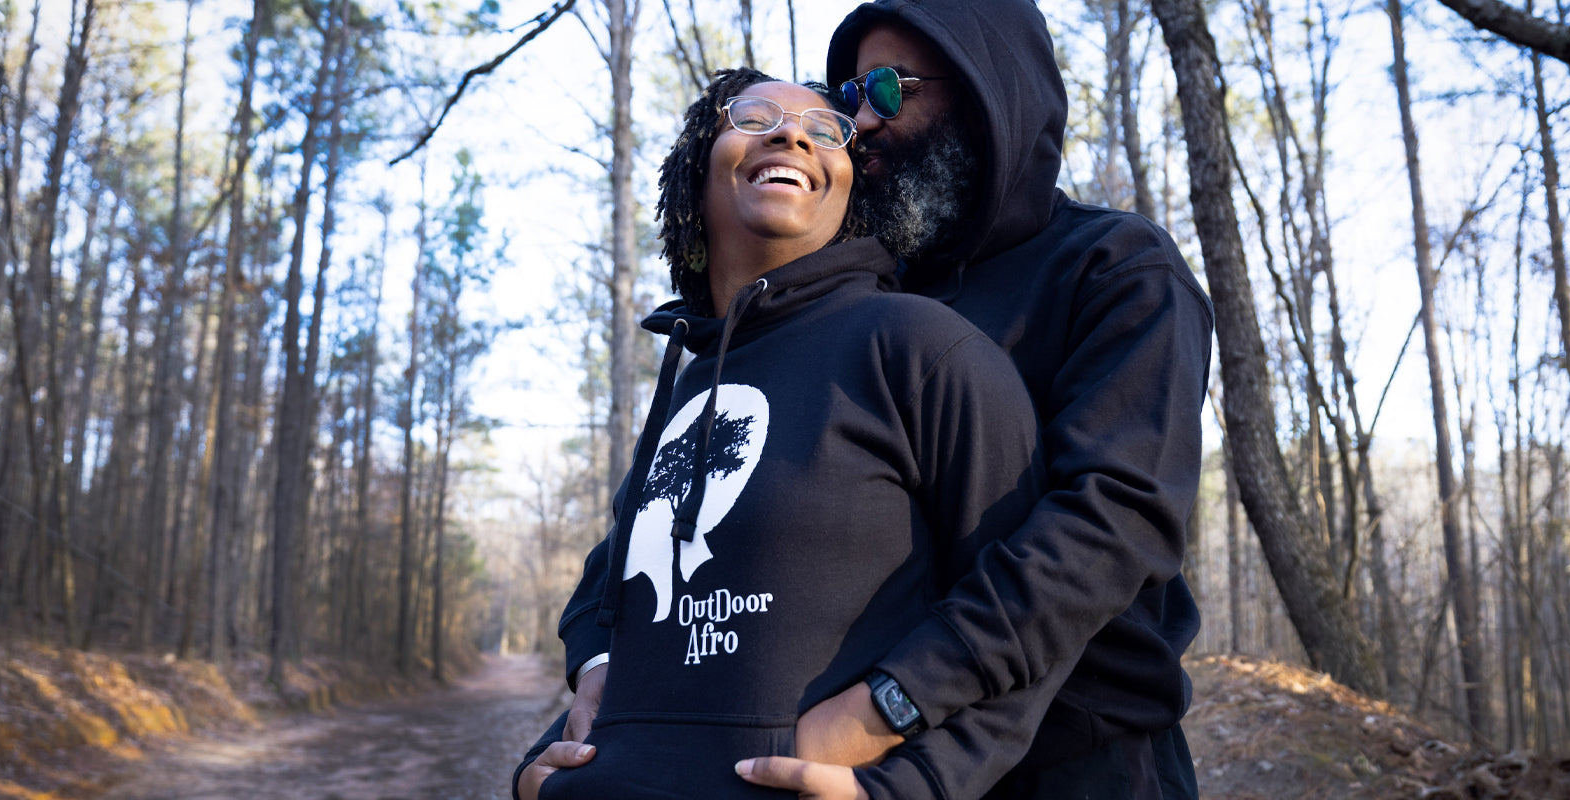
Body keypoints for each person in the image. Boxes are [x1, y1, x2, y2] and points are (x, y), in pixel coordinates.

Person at [521, 0, 1215, 796]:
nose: (862, 120)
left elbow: (1113, 523)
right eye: (848, 97)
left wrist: (892, 701)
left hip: (1076, 757)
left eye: (887, 89)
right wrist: (601, 671)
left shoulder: (1115, 269)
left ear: (993, 93)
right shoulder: (847, 303)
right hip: (863, 767)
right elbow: (664, 524)